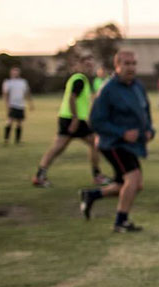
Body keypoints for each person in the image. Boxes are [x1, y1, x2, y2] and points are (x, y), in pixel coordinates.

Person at [80, 50, 155, 233]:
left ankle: (92, 195)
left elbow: (145, 111)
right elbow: (95, 121)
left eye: (133, 63)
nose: (131, 67)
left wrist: (149, 130)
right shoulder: (108, 89)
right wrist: (121, 133)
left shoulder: (138, 87)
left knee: (134, 185)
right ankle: (121, 222)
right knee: (133, 178)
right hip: (113, 143)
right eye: (126, 64)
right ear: (117, 66)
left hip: (132, 144)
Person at [32, 54, 109, 188]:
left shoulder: (81, 79)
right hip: (73, 119)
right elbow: (72, 98)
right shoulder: (79, 79)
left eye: (91, 65)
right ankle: (97, 176)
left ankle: (40, 175)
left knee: (58, 147)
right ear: (79, 65)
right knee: (95, 143)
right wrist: (75, 118)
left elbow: (81, 99)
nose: (89, 67)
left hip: (69, 118)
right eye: (86, 64)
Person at [2, 67, 33, 146]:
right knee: (10, 121)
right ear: (11, 73)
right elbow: (5, 94)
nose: (15, 73)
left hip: (21, 105)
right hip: (12, 105)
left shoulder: (23, 82)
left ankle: (18, 140)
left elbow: (27, 93)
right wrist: (7, 105)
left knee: (19, 123)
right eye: (14, 72)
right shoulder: (8, 82)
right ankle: (6, 139)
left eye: (17, 72)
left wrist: (30, 104)